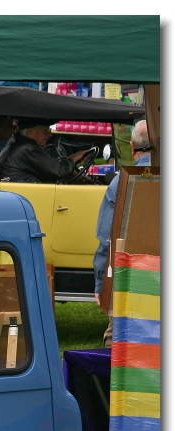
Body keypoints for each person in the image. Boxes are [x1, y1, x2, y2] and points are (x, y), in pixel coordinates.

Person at [93, 119, 151, 346]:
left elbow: (107, 237)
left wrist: (101, 283)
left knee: (117, 336)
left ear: (132, 147)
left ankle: (114, 379)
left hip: (130, 271)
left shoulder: (120, 182)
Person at [0, 119, 91, 183]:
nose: (50, 135)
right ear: (30, 133)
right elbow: (57, 171)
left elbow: (50, 168)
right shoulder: (26, 148)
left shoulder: (18, 144)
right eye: (45, 131)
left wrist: (69, 163)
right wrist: (75, 158)